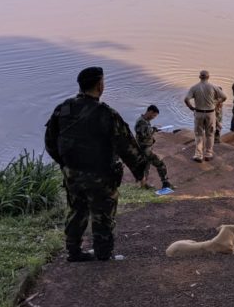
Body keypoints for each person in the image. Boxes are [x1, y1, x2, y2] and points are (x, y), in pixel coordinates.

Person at [45, 67, 146, 262]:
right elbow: (126, 145)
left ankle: (73, 252)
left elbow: (50, 142)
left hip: (73, 174)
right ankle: (103, 254)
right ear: (100, 85)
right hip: (101, 175)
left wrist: (66, 164)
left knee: (76, 211)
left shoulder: (62, 109)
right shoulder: (106, 113)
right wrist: (139, 170)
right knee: (102, 215)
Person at [184, 70, 227, 163]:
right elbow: (224, 97)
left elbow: (186, 99)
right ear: (208, 77)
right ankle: (208, 154)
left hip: (198, 112)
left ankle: (198, 155)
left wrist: (191, 107)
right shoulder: (213, 87)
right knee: (210, 134)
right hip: (210, 113)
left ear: (200, 77)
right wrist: (217, 103)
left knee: (198, 134)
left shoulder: (194, 87)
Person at [134, 105, 172, 190]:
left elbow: (145, 132)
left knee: (145, 168)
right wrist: (153, 130)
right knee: (160, 164)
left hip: (145, 148)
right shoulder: (141, 122)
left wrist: (153, 130)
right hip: (145, 149)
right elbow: (144, 135)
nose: (154, 117)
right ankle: (165, 183)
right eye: (154, 115)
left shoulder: (145, 121)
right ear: (150, 112)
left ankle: (143, 185)